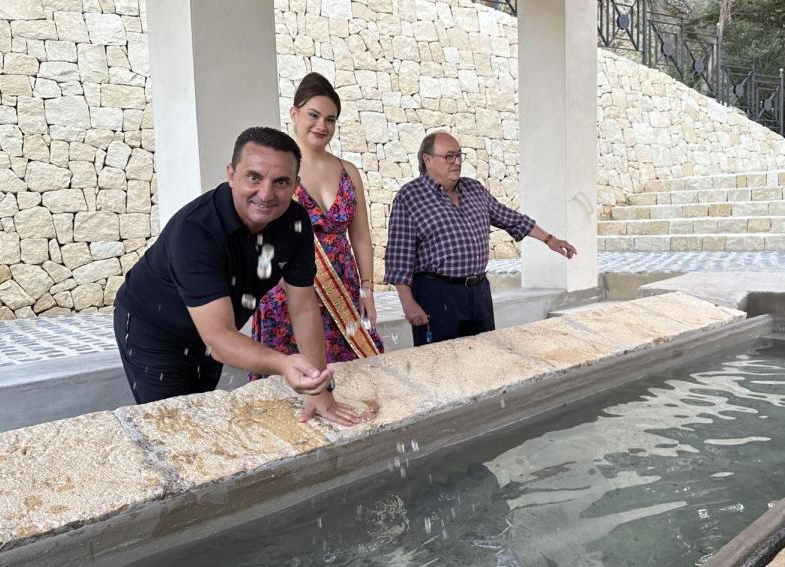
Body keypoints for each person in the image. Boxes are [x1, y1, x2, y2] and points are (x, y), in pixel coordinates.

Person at [113, 126, 365, 426]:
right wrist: (282, 363)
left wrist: (319, 389)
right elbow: (219, 339)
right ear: (231, 175)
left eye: (281, 181)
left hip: (215, 331)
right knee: (171, 424)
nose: (266, 193)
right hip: (154, 329)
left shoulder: (295, 224)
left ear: (296, 184)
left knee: (199, 407)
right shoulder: (196, 231)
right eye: (254, 177)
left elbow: (304, 308)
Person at [384, 131, 577, 346]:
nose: (456, 162)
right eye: (449, 156)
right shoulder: (409, 197)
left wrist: (549, 239)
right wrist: (408, 303)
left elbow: (509, 218)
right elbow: (398, 258)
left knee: (485, 359)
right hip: (437, 295)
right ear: (427, 160)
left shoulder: (473, 189)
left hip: (478, 293)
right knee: (441, 365)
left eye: (459, 155)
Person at [251, 73, 384, 370]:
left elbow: (360, 236)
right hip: (287, 289)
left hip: (344, 290)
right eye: (313, 115)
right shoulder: (277, 170)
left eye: (331, 119)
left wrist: (366, 288)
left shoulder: (348, 172)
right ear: (294, 113)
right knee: (293, 379)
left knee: (356, 375)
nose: (322, 125)